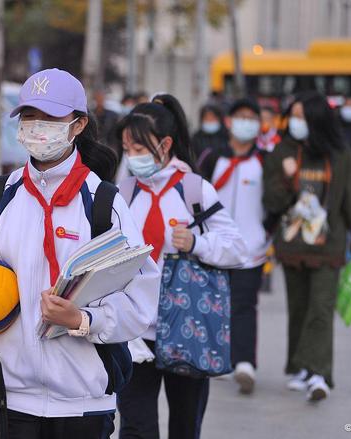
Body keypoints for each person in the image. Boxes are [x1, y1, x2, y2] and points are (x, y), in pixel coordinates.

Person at [0, 68, 160, 439]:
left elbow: (141, 300)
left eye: (50, 117)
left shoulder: (104, 203)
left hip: (84, 406)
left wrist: (83, 319)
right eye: (29, 116)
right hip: (7, 401)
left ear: (77, 125)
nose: (37, 127)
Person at [115, 93, 247, 438]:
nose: (132, 157)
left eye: (140, 149)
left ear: (166, 144)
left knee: (186, 427)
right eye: (128, 149)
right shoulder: (122, 193)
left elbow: (236, 249)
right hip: (133, 335)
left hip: (187, 332)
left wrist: (197, 243)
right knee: (135, 427)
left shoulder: (195, 190)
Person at [263, 92, 351, 402]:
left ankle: (320, 374)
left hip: (328, 247)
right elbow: (270, 200)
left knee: (321, 310)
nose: (296, 122)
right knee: (298, 309)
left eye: (302, 116)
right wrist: (287, 178)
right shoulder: (282, 151)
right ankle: (300, 366)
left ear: (317, 120)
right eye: (293, 115)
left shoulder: (340, 156)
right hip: (292, 244)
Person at [198, 98, 270, 395]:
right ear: (228, 122)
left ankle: (244, 363)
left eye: (251, 118)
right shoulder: (213, 158)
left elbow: (276, 200)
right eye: (240, 116)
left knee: (244, 305)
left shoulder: (265, 160)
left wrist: (268, 232)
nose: (245, 122)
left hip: (251, 248)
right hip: (215, 247)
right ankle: (218, 358)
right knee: (214, 304)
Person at [191, 104, 229, 169]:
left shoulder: (226, 137)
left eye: (213, 118)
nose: (210, 121)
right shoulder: (196, 138)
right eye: (207, 118)